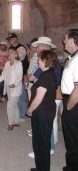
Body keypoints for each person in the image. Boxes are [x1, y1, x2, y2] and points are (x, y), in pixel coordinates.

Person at [27, 36, 62, 158]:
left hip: (48, 96)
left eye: (39, 46)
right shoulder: (50, 61)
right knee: (51, 123)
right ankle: (52, 143)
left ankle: (49, 147)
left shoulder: (46, 63)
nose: (36, 49)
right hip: (50, 94)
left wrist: (30, 109)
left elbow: (32, 77)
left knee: (46, 126)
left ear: (45, 47)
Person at [26, 50, 58, 171]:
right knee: (40, 141)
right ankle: (41, 167)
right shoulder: (50, 74)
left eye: (39, 59)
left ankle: (43, 169)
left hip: (42, 112)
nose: (37, 61)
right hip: (46, 110)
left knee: (41, 142)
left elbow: (39, 98)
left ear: (45, 61)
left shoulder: (45, 76)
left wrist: (29, 110)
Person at [0, 47, 23, 130]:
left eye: (11, 52)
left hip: (15, 89)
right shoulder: (7, 64)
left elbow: (19, 76)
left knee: (9, 105)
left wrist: (14, 84)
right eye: (9, 52)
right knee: (14, 104)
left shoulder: (19, 64)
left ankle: (10, 123)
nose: (9, 53)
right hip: (8, 88)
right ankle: (17, 121)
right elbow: (3, 76)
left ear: (15, 54)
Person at [61, 29, 78, 171]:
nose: (63, 41)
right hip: (70, 100)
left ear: (72, 41)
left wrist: (68, 106)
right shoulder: (73, 57)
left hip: (73, 103)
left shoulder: (77, 59)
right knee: (71, 137)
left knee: (73, 138)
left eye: (65, 38)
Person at [6, 33, 29, 122]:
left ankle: (22, 116)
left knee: (20, 96)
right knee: (13, 96)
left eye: (11, 39)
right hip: (13, 75)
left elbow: (19, 58)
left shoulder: (21, 48)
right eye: (9, 39)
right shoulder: (11, 49)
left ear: (15, 39)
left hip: (20, 74)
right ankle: (16, 115)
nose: (9, 40)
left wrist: (12, 55)